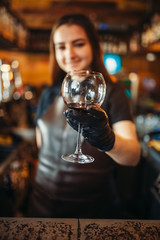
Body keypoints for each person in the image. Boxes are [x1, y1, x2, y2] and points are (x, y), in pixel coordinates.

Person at [27, 13, 141, 219]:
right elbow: (41, 149)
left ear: (94, 46)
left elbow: (133, 156)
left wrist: (107, 140)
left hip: (93, 212)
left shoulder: (113, 93)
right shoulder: (48, 93)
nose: (69, 53)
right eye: (61, 46)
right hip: (40, 207)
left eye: (78, 44)